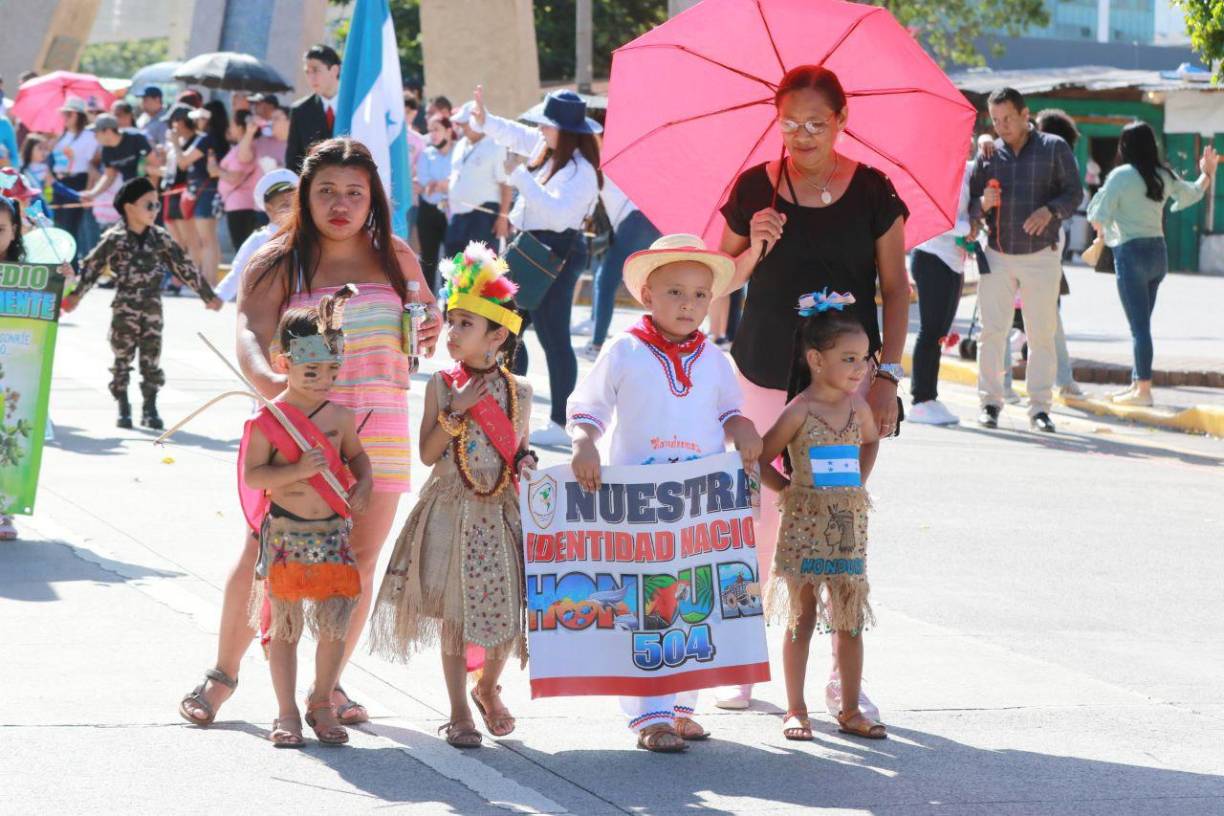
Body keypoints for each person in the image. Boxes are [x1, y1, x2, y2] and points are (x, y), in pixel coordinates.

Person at [177, 138, 442, 729]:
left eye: (354, 192)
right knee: (267, 556)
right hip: (298, 429)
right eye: (326, 191)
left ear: (372, 197)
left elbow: (424, 315)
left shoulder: (396, 255)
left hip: (381, 428)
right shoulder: (278, 258)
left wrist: (430, 324)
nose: (340, 204)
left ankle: (327, 688)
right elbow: (249, 329)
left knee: (358, 562)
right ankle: (223, 676)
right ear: (305, 195)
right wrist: (273, 384)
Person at [716, 65, 907, 713]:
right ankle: (741, 659)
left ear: (841, 120)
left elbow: (897, 288)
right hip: (764, 369)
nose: (801, 136)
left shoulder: (874, 191)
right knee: (756, 518)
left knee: (832, 525)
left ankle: (838, 676)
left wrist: (887, 375)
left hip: (840, 388)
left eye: (815, 124)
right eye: (789, 123)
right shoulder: (753, 190)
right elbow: (720, 282)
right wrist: (754, 249)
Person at [568, 234, 762, 752]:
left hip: (696, 510)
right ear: (647, 294)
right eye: (675, 292)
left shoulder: (716, 360)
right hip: (640, 509)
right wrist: (585, 442)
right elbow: (588, 407)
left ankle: (681, 708)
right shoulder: (625, 350)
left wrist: (742, 428)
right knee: (650, 603)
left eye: (700, 295)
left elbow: (729, 412)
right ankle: (648, 714)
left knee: (695, 600)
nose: (689, 304)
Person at [371, 244, 535, 749]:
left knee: (505, 613)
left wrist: (526, 462)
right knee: (454, 616)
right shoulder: (442, 386)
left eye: (466, 323)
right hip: (449, 509)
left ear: (498, 335)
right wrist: (457, 411)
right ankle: (458, 710)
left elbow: (518, 449)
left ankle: (486, 686)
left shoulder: (520, 391)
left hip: (498, 511)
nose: (452, 332)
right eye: (452, 321)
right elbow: (426, 453)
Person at [241, 286, 372, 748]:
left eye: (331, 370)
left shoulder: (340, 416)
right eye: (311, 369)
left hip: (332, 532)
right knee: (286, 627)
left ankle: (321, 701)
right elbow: (255, 476)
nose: (322, 379)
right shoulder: (267, 420)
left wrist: (366, 484)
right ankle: (286, 710)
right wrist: (297, 469)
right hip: (286, 534)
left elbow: (359, 459)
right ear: (284, 363)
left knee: (335, 622)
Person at [758, 290, 884, 742]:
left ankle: (850, 708)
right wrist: (786, 490)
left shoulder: (859, 407)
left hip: (848, 527)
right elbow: (760, 458)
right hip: (804, 526)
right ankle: (795, 708)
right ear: (815, 358)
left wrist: (858, 482)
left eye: (865, 358)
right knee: (803, 618)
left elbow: (869, 441)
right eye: (849, 358)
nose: (860, 368)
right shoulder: (800, 410)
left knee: (848, 617)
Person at [470, 86, 601, 447]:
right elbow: (516, 133)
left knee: (552, 336)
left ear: (566, 131)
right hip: (533, 248)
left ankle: (561, 422)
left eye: (548, 125)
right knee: (507, 326)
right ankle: (513, 407)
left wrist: (520, 176)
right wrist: (486, 120)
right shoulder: (549, 149)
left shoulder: (582, 170)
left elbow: (558, 215)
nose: (541, 130)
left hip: (556, 251)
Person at [62, 176, 222, 428]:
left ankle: (150, 407)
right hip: (124, 305)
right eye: (149, 205)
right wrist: (74, 297)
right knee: (122, 356)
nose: (154, 211)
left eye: (157, 205)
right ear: (129, 207)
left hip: (152, 306)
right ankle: (123, 405)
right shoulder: (114, 238)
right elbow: (92, 269)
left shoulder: (160, 238)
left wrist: (206, 295)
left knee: (151, 357)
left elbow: (184, 266)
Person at [969, 87, 1080, 433]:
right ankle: (990, 403)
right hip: (998, 255)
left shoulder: (1053, 148)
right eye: (996, 120)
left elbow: (1074, 193)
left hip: (1041, 256)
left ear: (1025, 113)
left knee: (1041, 334)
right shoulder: (989, 154)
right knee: (992, 333)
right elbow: (970, 207)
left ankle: (1040, 408)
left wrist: (1050, 211)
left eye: (1008, 118)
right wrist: (982, 205)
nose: (1002, 126)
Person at [1087, 123, 1216, 407]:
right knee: (1142, 325)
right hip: (1158, 254)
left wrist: (1104, 218)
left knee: (1139, 328)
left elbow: (1096, 214)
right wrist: (1207, 172)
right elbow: (1192, 193)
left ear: (1124, 146)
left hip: (1130, 254)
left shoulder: (1120, 176)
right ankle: (1137, 384)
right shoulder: (1163, 174)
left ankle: (1143, 390)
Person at [908, 150, 973, 426]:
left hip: (953, 261)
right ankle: (920, 400)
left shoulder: (965, 169)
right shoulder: (934, 172)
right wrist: (967, 227)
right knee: (930, 330)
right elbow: (931, 217)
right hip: (932, 256)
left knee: (939, 333)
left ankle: (930, 397)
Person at [574, 175, 661, 361]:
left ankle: (597, 344)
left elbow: (585, 202)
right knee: (658, 285)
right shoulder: (629, 168)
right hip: (652, 220)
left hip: (632, 223)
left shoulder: (601, 172)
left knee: (604, 283)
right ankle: (664, 343)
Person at [216, 169, 297, 303]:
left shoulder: (308, 235)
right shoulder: (260, 240)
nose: (291, 210)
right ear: (269, 209)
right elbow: (240, 270)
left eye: (294, 205)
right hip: (269, 304)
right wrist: (220, 296)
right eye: (284, 205)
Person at [443, 101, 511, 258]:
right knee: (455, 268)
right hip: (458, 216)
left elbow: (505, 184)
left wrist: (503, 217)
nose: (461, 127)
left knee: (481, 271)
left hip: (483, 216)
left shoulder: (496, 145)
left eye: (464, 123)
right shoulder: (460, 145)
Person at [0, 194, 26, 539]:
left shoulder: (31, 274)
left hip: (13, 370)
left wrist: (64, 276)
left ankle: (4, 510)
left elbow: (61, 306)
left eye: (1, 228)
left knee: (8, 436)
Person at [52, 97, 98, 256]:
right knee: (59, 226)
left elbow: (92, 165)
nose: (65, 117)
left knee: (71, 228)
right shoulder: (62, 136)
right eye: (64, 114)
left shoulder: (89, 136)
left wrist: (89, 190)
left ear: (78, 115)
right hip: (60, 182)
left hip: (78, 181)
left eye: (69, 114)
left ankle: (71, 268)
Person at [414, 114, 455, 292]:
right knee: (428, 260)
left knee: (452, 260)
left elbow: (458, 180)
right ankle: (427, 304)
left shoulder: (459, 152)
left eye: (436, 130)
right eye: (430, 131)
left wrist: (440, 185)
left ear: (448, 131)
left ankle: (450, 306)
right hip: (429, 211)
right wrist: (443, 184)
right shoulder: (426, 153)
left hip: (451, 211)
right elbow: (423, 181)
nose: (433, 134)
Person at [286, 44, 341, 173]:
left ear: (334, 70)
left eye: (316, 70)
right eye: (307, 72)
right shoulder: (300, 111)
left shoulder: (356, 108)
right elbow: (293, 161)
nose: (311, 78)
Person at [218, 109, 268, 251]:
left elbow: (237, 172)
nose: (229, 128)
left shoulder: (248, 144)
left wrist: (216, 170)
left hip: (242, 204)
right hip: (238, 204)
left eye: (232, 125)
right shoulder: (243, 144)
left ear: (240, 127)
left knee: (242, 250)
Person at [81, 114, 151, 205]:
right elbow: (109, 176)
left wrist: (152, 196)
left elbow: (154, 164)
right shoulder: (106, 150)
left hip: (149, 192)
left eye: (96, 132)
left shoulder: (136, 139)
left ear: (108, 131)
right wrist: (92, 194)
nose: (94, 136)